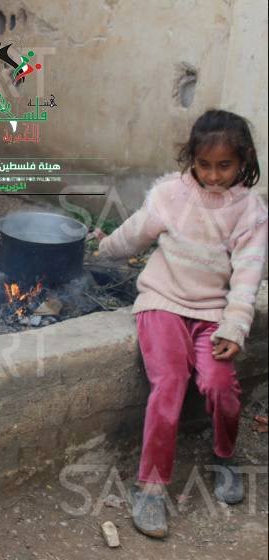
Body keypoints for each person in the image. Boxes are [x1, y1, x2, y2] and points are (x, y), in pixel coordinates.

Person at [95, 109, 268, 538]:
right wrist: (104, 248)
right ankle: (151, 488)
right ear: (191, 158)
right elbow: (135, 233)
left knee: (220, 385)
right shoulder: (171, 194)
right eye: (204, 164)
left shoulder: (250, 211)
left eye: (224, 165)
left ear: (244, 160)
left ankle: (224, 455)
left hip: (213, 315)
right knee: (169, 381)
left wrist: (234, 326)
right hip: (162, 303)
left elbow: (248, 274)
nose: (213, 175)